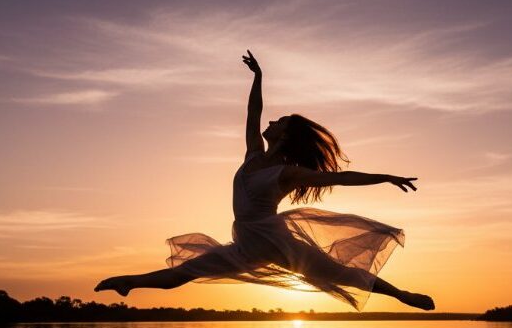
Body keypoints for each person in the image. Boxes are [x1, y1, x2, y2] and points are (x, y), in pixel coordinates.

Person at [96, 51, 434, 311]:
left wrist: (385, 177)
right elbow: (253, 113)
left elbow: (341, 177)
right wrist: (259, 77)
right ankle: (129, 282)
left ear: (286, 135)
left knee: (339, 273)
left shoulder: (288, 172)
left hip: (274, 239)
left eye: (279, 121)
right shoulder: (253, 154)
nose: (271, 122)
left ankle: (402, 295)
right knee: (185, 273)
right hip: (246, 242)